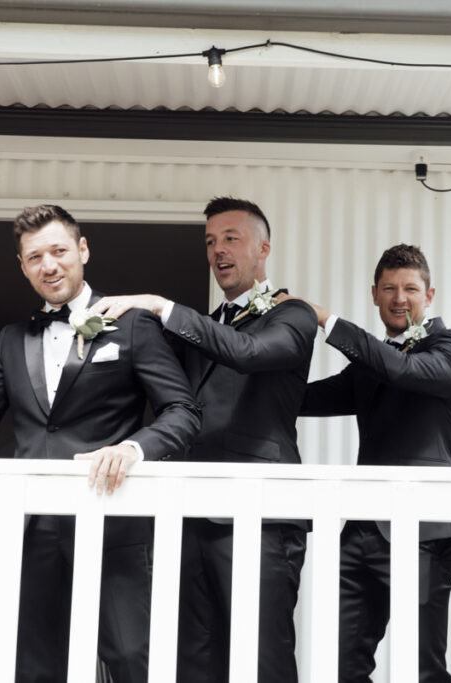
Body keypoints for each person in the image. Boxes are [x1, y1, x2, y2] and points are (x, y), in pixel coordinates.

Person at [0, 204, 201, 682]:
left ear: (82, 250)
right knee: (32, 665)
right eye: (35, 257)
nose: (49, 265)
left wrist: (132, 449)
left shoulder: (131, 323)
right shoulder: (10, 339)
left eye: (60, 250)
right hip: (33, 529)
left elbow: (183, 411)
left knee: (132, 660)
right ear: (22, 267)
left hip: (114, 523)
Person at [92, 196, 317, 683]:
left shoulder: (293, 315)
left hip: (261, 513)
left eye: (231, 238)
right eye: (211, 241)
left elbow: (250, 352)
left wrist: (159, 304)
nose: (218, 250)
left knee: (261, 657)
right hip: (191, 510)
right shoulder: (201, 329)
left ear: (264, 248)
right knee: (192, 657)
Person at [294, 243, 451, 683]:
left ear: (429, 295)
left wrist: (326, 320)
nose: (400, 298)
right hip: (360, 533)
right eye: (390, 288)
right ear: (374, 294)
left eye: (410, 288)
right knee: (339, 665)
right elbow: (302, 399)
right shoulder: (369, 366)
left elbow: (404, 371)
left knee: (423, 668)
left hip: (424, 533)